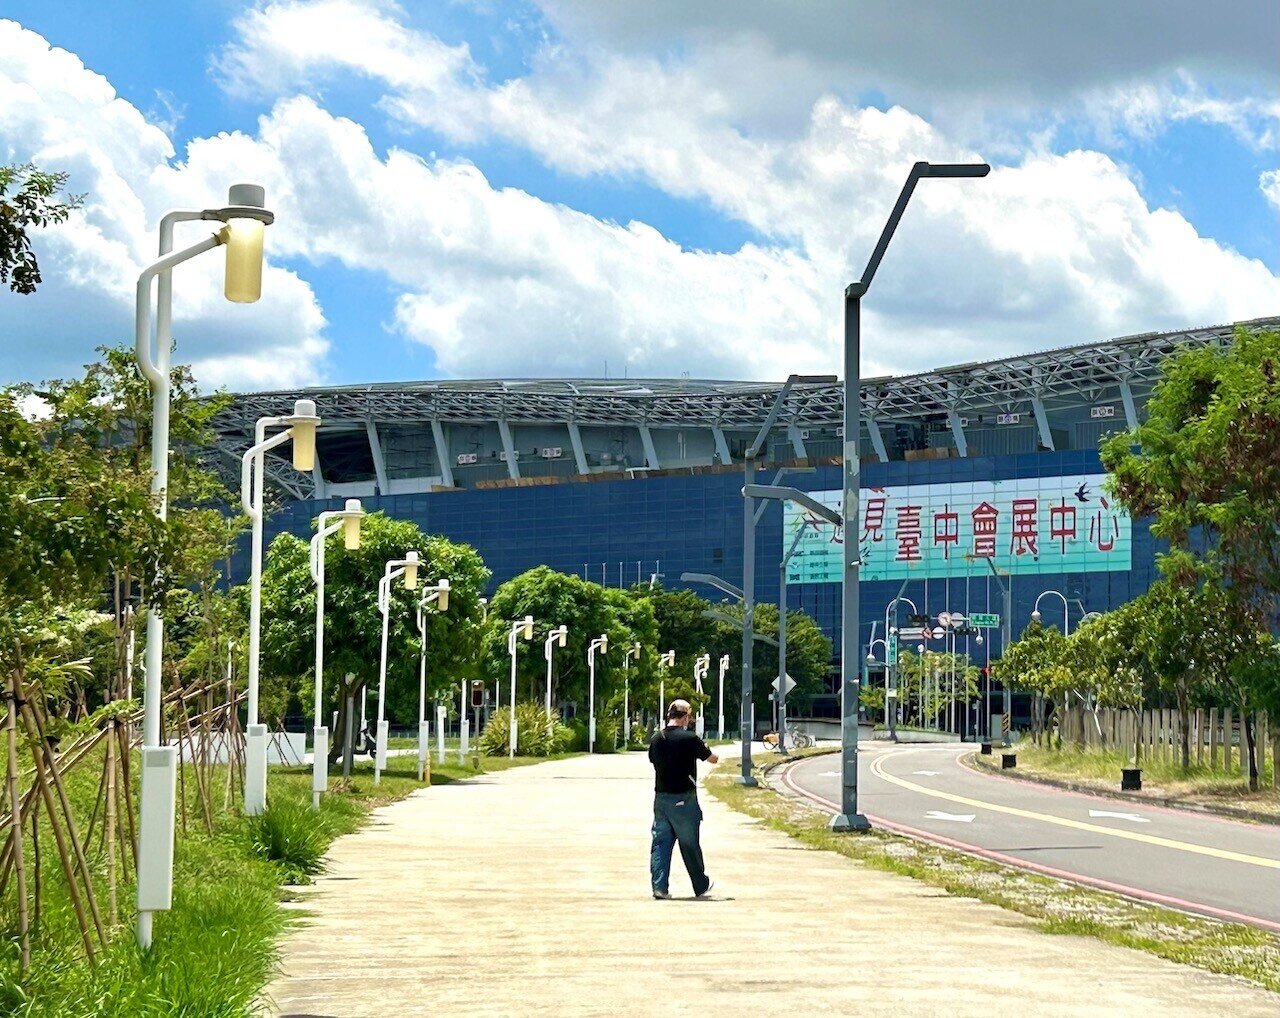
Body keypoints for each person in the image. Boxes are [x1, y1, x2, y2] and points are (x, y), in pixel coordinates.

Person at [648, 699, 718, 900]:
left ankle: (659, 887)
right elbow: (711, 758)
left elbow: (653, 760)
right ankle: (700, 884)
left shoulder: (656, 738)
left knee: (660, 844)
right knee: (689, 844)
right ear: (685, 716)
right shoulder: (689, 738)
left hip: (661, 797)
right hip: (684, 798)